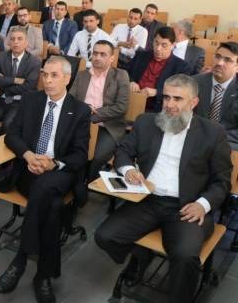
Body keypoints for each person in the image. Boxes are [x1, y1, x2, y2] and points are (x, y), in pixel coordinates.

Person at [95, 74, 232, 303]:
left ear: (194, 102)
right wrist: (128, 170)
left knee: (185, 257)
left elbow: (222, 180)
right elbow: (124, 151)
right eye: (167, 97)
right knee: (104, 236)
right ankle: (139, 256)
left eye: (178, 99)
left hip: (186, 208)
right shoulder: (146, 122)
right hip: (147, 200)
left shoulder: (212, 133)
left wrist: (202, 205)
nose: (169, 104)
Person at [0, 56, 90, 302]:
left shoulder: (80, 110)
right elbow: (11, 135)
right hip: (29, 168)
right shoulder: (31, 100)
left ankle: (20, 260)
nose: (47, 80)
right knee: (53, 206)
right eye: (44, 75)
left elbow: (80, 155)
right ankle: (43, 275)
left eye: (54, 75)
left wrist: (53, 163)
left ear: (67, 79)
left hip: (59, 171)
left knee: (45, 187)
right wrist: (28, 155)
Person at [69, 40, 130, 181]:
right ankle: (74, 181)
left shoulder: (120, 75)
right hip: (81, 123)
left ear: (112, 58)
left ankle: (88, 183)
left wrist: (90, 115)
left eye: (103, 54)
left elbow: (121, 107)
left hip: (108, 126)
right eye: (95, 53)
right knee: (73, 150)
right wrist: (84, 111)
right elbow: (70, 100)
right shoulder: (82, 74)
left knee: (97, 157)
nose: (97, 57)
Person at [0, 26, 41, 138]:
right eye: (12, 39)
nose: (16, 42)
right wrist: (14, 80)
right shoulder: (2, 57)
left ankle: (2, 148)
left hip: (20, 102)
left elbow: (29, 86)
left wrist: (4, 86)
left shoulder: (34, 61)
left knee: (8, 125)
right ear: (9, 43)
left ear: (26, 43)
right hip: (0, 101)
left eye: (20, 39)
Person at [128, 26, 191, 112]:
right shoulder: (141, 56)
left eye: (164, 45)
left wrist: (157, 92)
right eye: (156, 43)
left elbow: (180, 92)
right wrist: (131, 82)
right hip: (132, 101)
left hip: (157, 109)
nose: (158, 49)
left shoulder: (181, 66)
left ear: (173, 45)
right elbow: (125, 72)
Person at [193, 41, 238, 150]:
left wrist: (215, 139)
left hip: (227, 145)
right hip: (195, 139)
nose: (219, 63)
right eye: (218, 57)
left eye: (227, 60)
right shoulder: (194, 82)